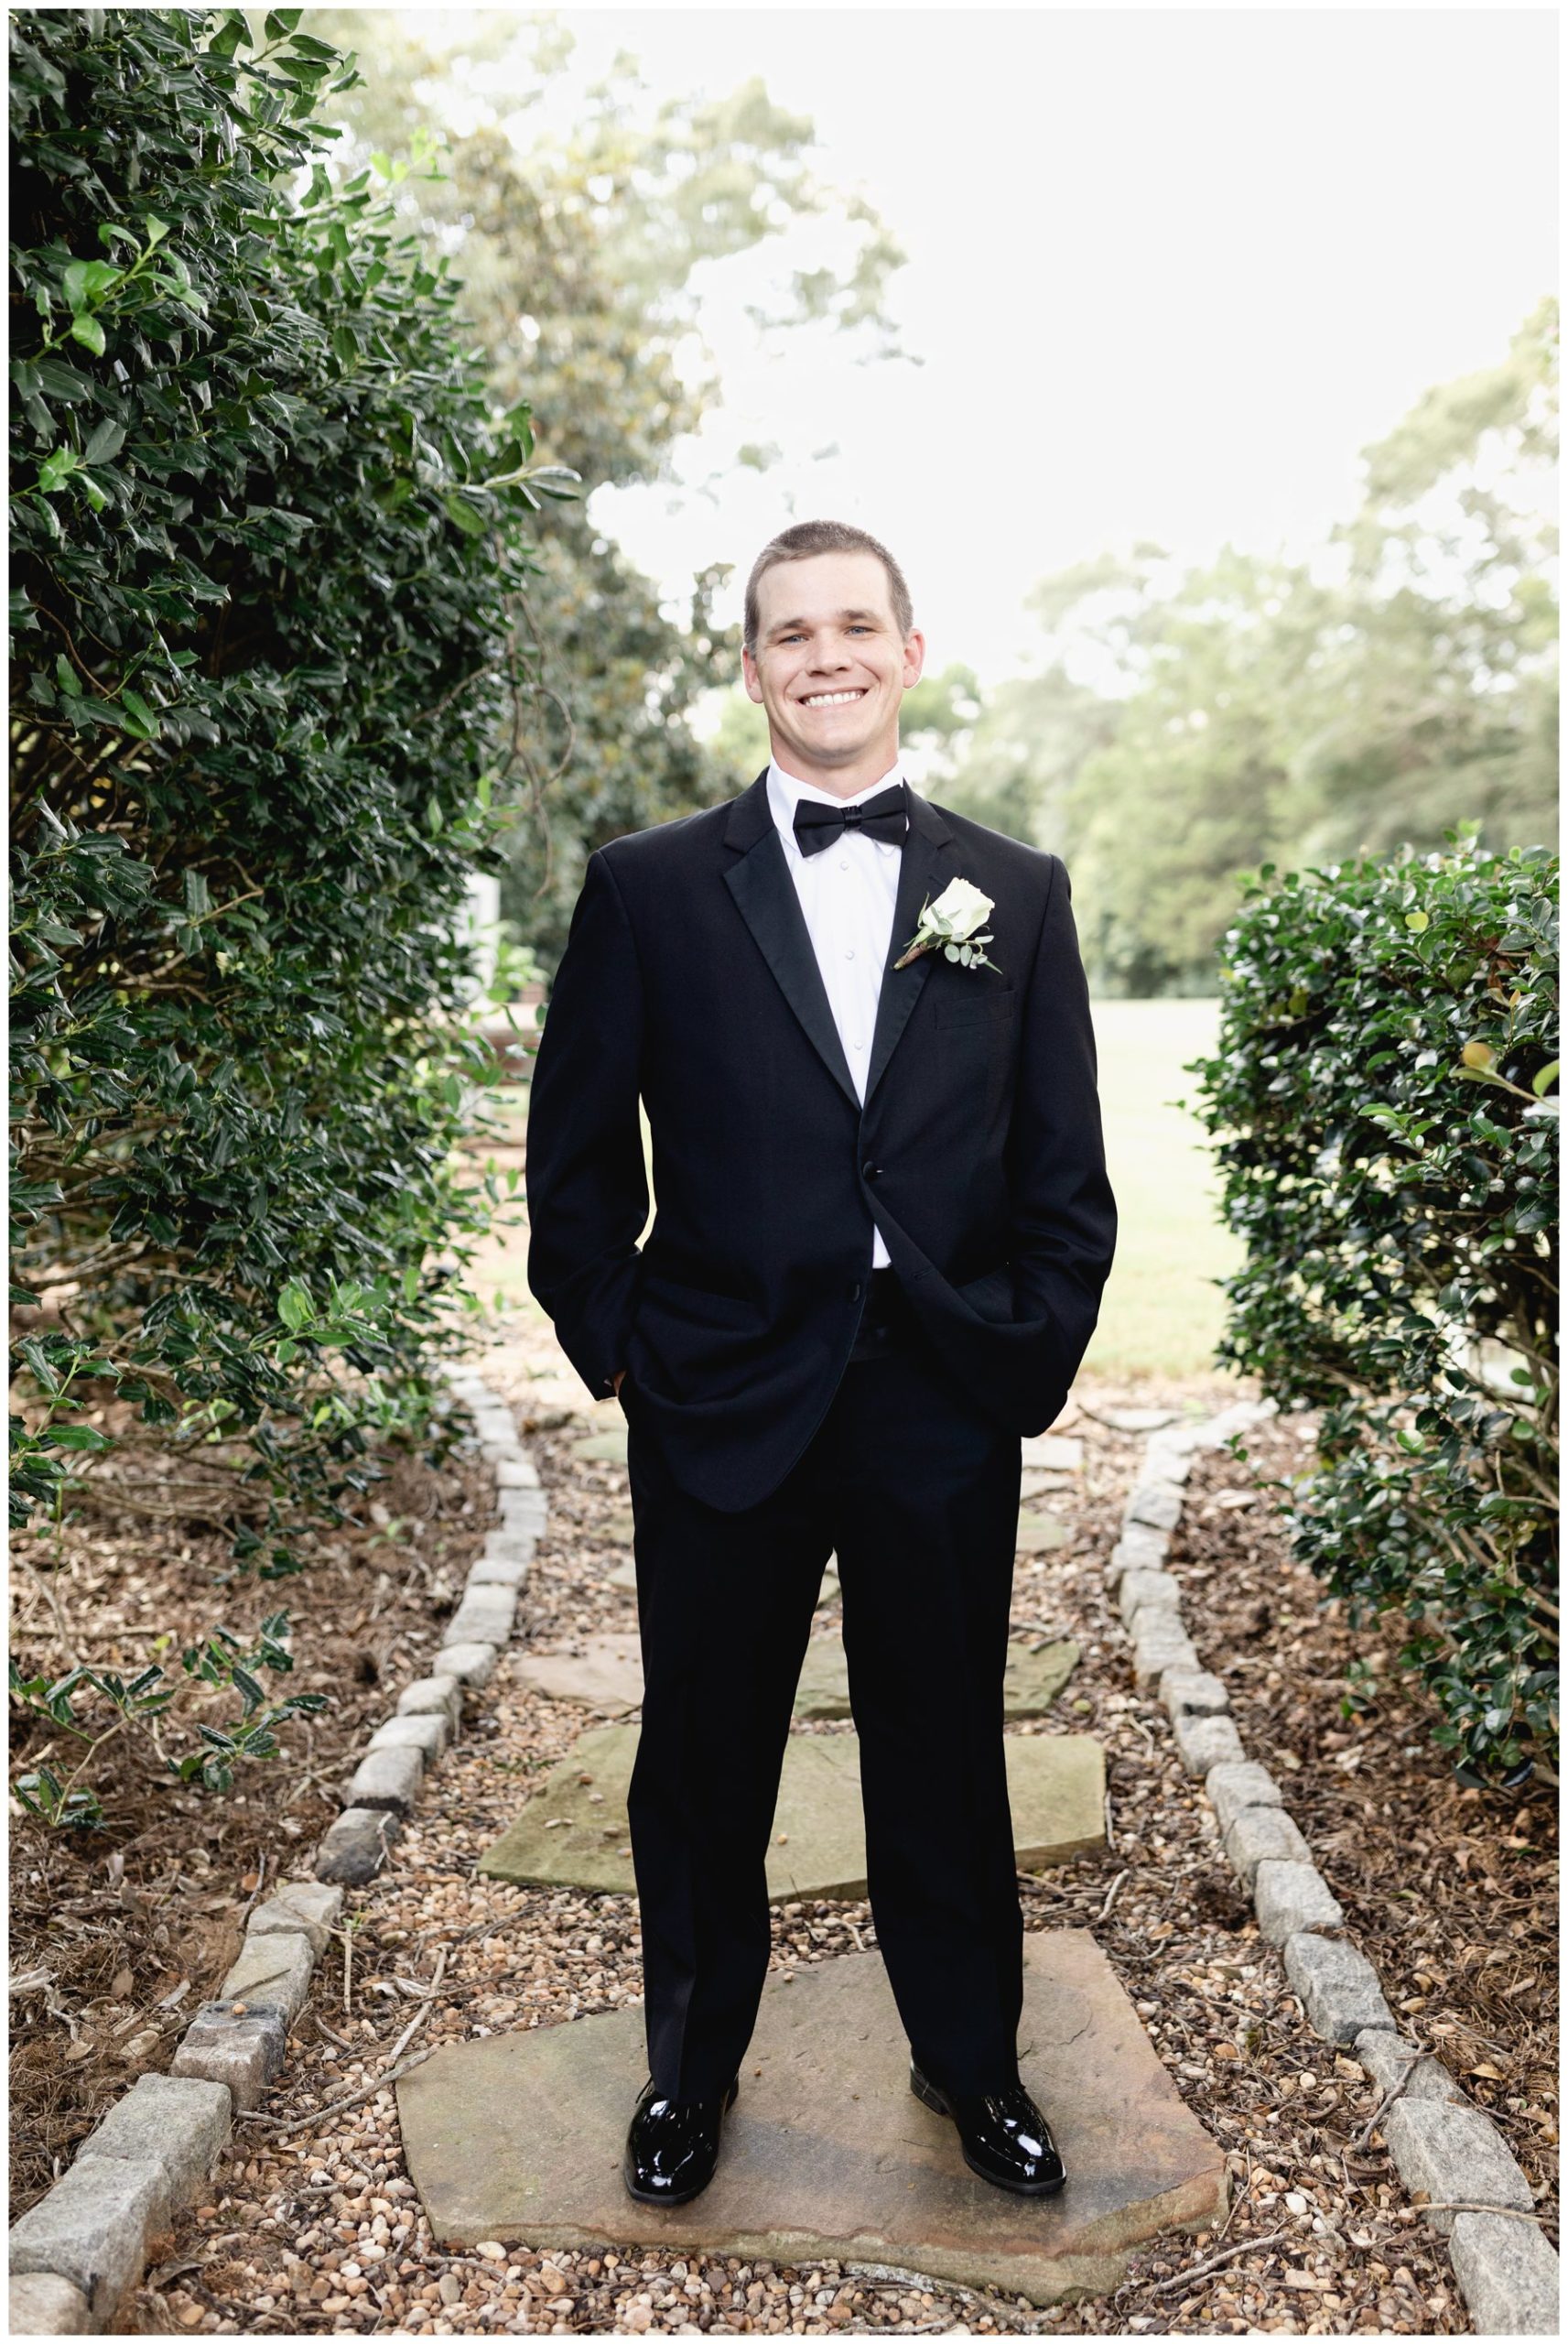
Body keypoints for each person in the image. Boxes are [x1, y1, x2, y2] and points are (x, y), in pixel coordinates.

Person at [524, 517, 1117, 2208]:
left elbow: (1061, 1177)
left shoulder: (1011, 893)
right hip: (717, 1387)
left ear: (909, 651)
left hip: (937, 1392)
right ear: (753, 667)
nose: (827, 654)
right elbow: (574, 1165)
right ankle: (688, 2073)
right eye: (792, 633)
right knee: (705, 1754)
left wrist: (1026, 1347)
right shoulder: (649, 886)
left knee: (941, 1745)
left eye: (858, 625)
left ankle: (970, 2056)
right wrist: (623, 1343)